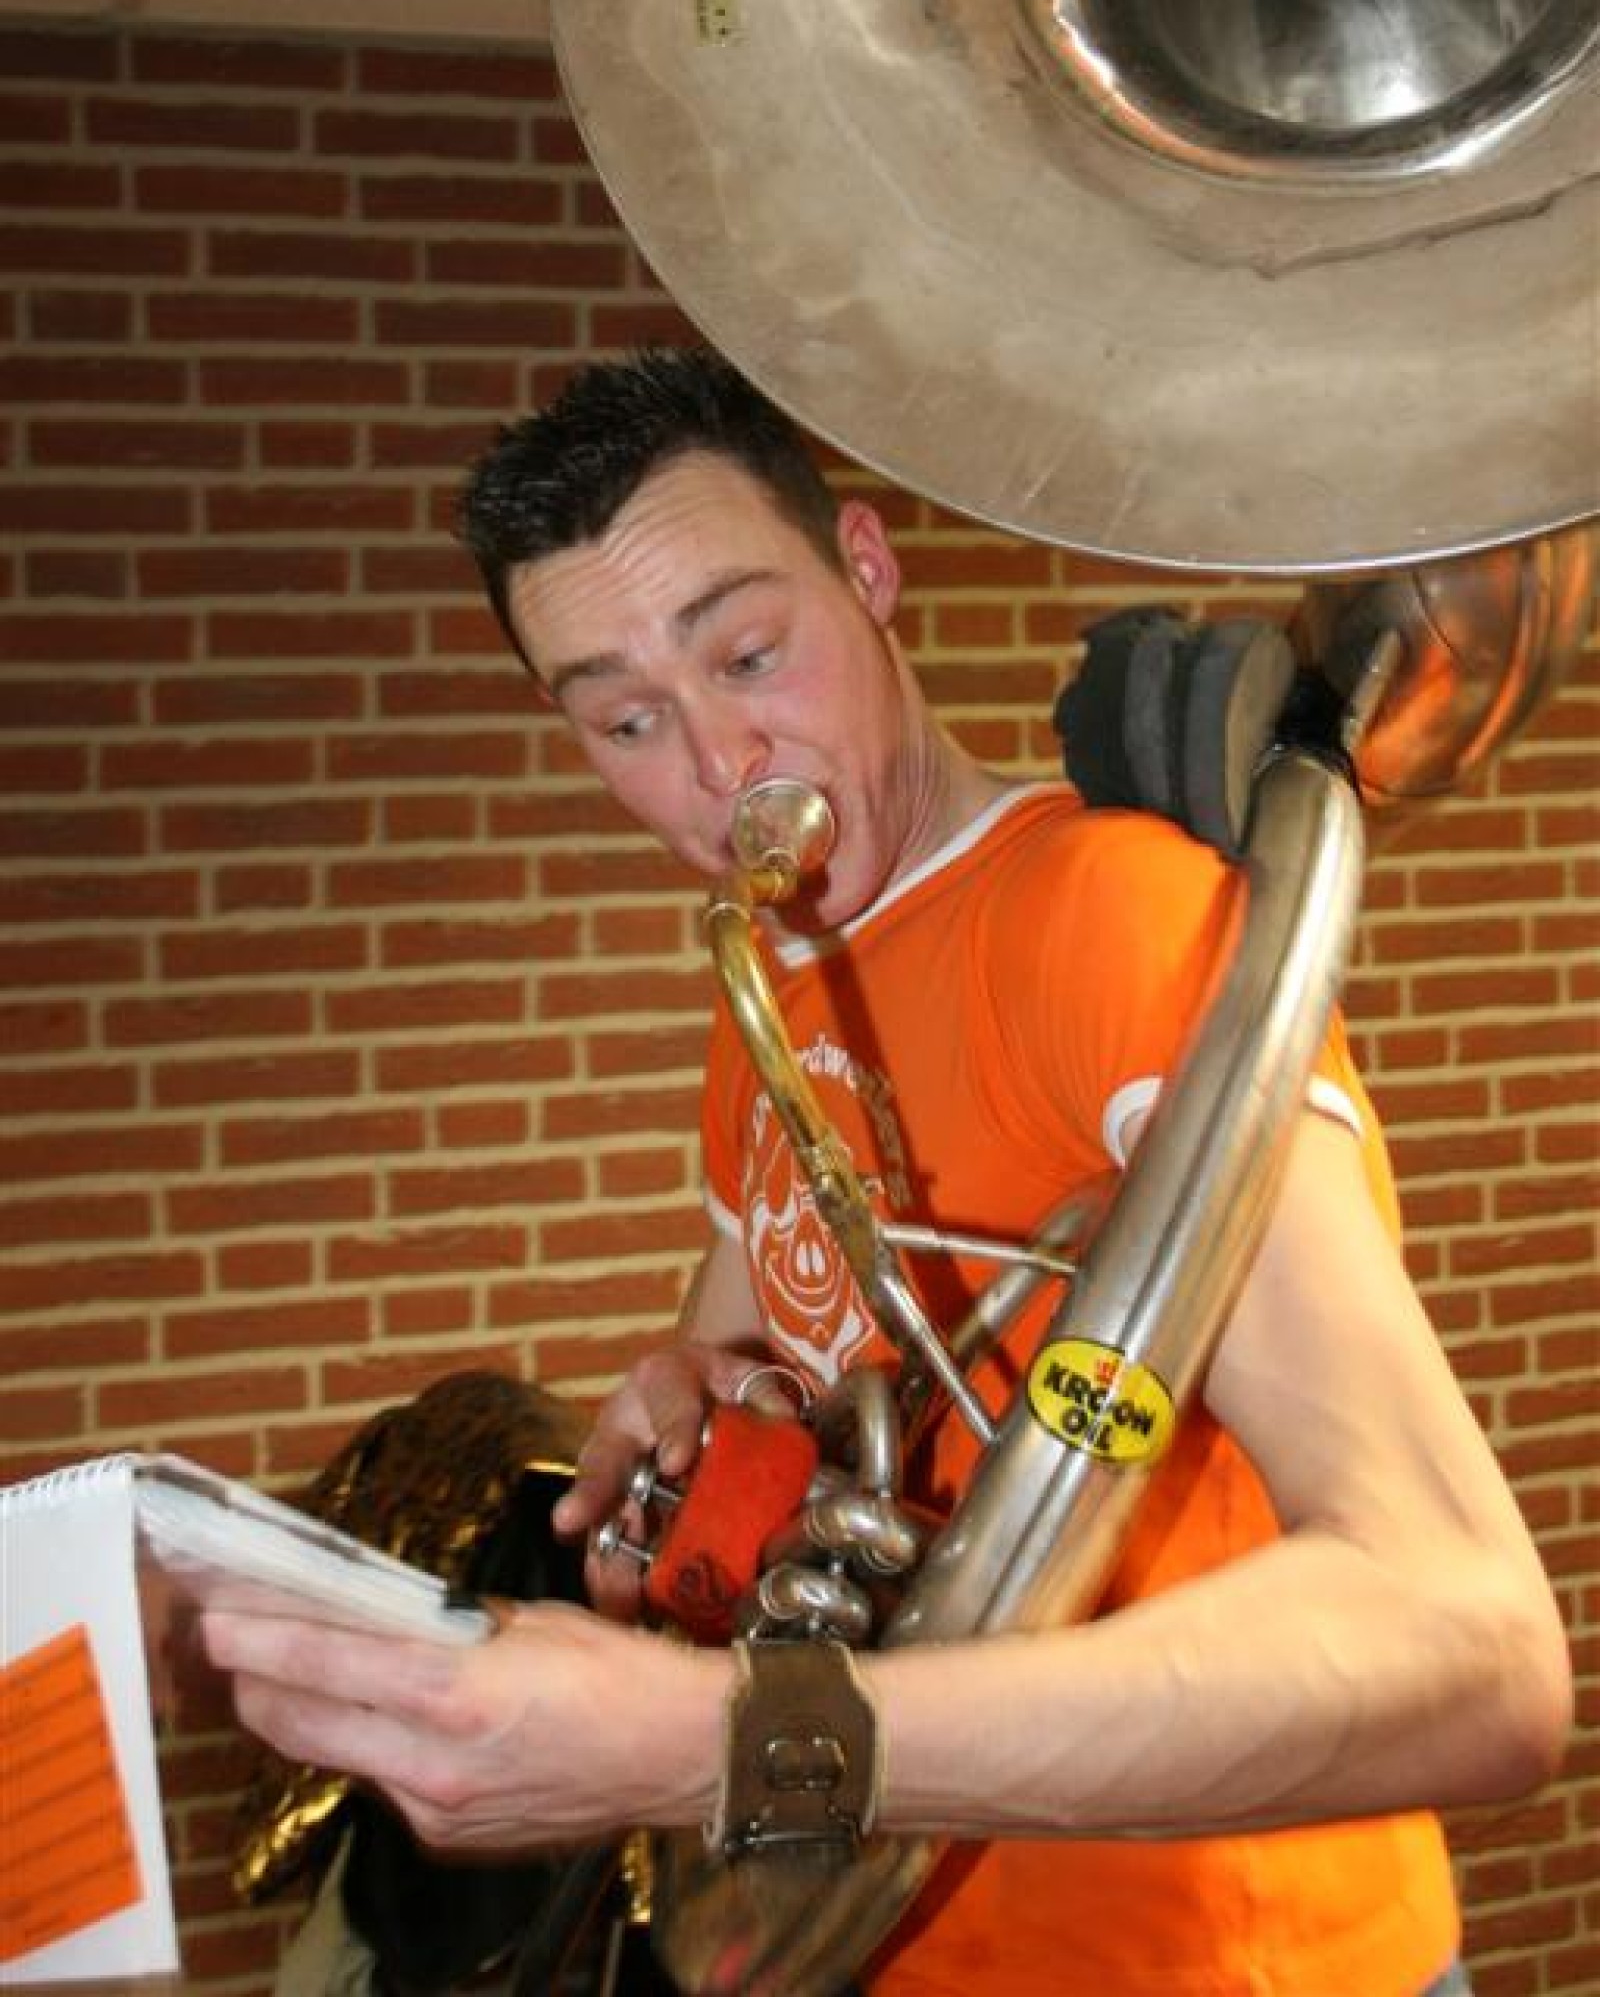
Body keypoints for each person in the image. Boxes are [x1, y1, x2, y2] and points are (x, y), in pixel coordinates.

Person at [203, 348, 1571, 1997]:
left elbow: (1474, 1655)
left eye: (749, 654)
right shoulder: (768, 1005)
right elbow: (762, 1371)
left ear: (866, 569)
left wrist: (728, 1739)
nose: (720, 762)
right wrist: (695, 1423)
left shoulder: (1109, 919)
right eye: (627, 719)